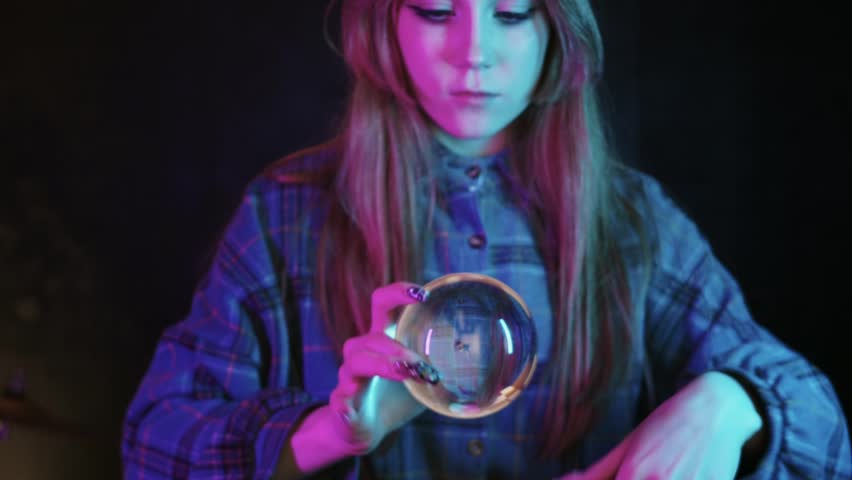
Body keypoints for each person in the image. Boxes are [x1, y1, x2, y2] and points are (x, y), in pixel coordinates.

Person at [121, 0, 851, 478]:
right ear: (385, 23)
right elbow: (152, 442)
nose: (473, 53)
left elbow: (821, 429)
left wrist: (729, 403)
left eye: (511, 12)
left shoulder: (636, 221)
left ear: (558, 27)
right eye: (437, 10)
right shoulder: (284, 213)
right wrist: (329, 434)